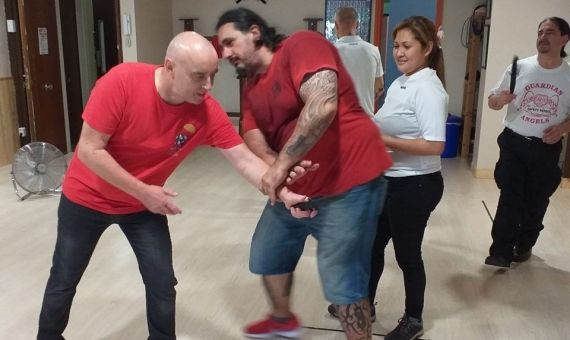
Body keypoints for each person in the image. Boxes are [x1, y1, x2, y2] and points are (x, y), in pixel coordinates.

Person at [36, 31, 316, 340]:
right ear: (170, 67)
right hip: (87, 200)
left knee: (162, 283)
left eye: (213, 76)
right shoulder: (122, 82)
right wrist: (143, 190)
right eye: (199, 77)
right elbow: (89, 150)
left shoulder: (205, 111)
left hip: (143, 206)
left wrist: (283, 191)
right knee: (64, 278)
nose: (208, 86)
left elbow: (244, 160)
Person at [216, 7, 392, 340]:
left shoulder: (301, 45)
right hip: (298, 192)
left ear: (254, 32)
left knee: (342, 278)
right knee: (267, 253)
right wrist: (279, 171)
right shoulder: (253, 87)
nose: (225, 53)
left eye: (229, 42)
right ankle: (282, 321)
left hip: (350, 184)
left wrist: (280, 167)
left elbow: (323, 104)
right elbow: (251, 133)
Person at [329, 16, 447, 340]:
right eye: (396, 46)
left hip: (416, 184)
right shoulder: (401, 82)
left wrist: (387, 142)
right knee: (370, 246)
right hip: (390, 179)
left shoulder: (428, 88)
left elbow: (436, 144)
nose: (399, 52)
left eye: (407, 46)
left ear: (427, 48)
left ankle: (413, 319)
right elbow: (381, 123)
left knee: (407, 255)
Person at [485, 17, 570, 268]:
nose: (543, 37)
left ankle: (524, 245)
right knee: (510, 196)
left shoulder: (568, 76)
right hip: (514, 142)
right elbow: (492, 100)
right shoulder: (519, 67)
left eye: (550, 32)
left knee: (537, 199)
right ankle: (500, 251)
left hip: (546, 148)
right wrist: (498, 100)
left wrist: (564, 128)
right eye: (540, 32)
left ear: (564, 39)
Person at [334, 6, 384, 116]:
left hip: (341, 121)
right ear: (358, 24)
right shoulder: (373, 50)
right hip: (366, 120)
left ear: (336, 25)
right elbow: (380, 86)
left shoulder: (330, 51)